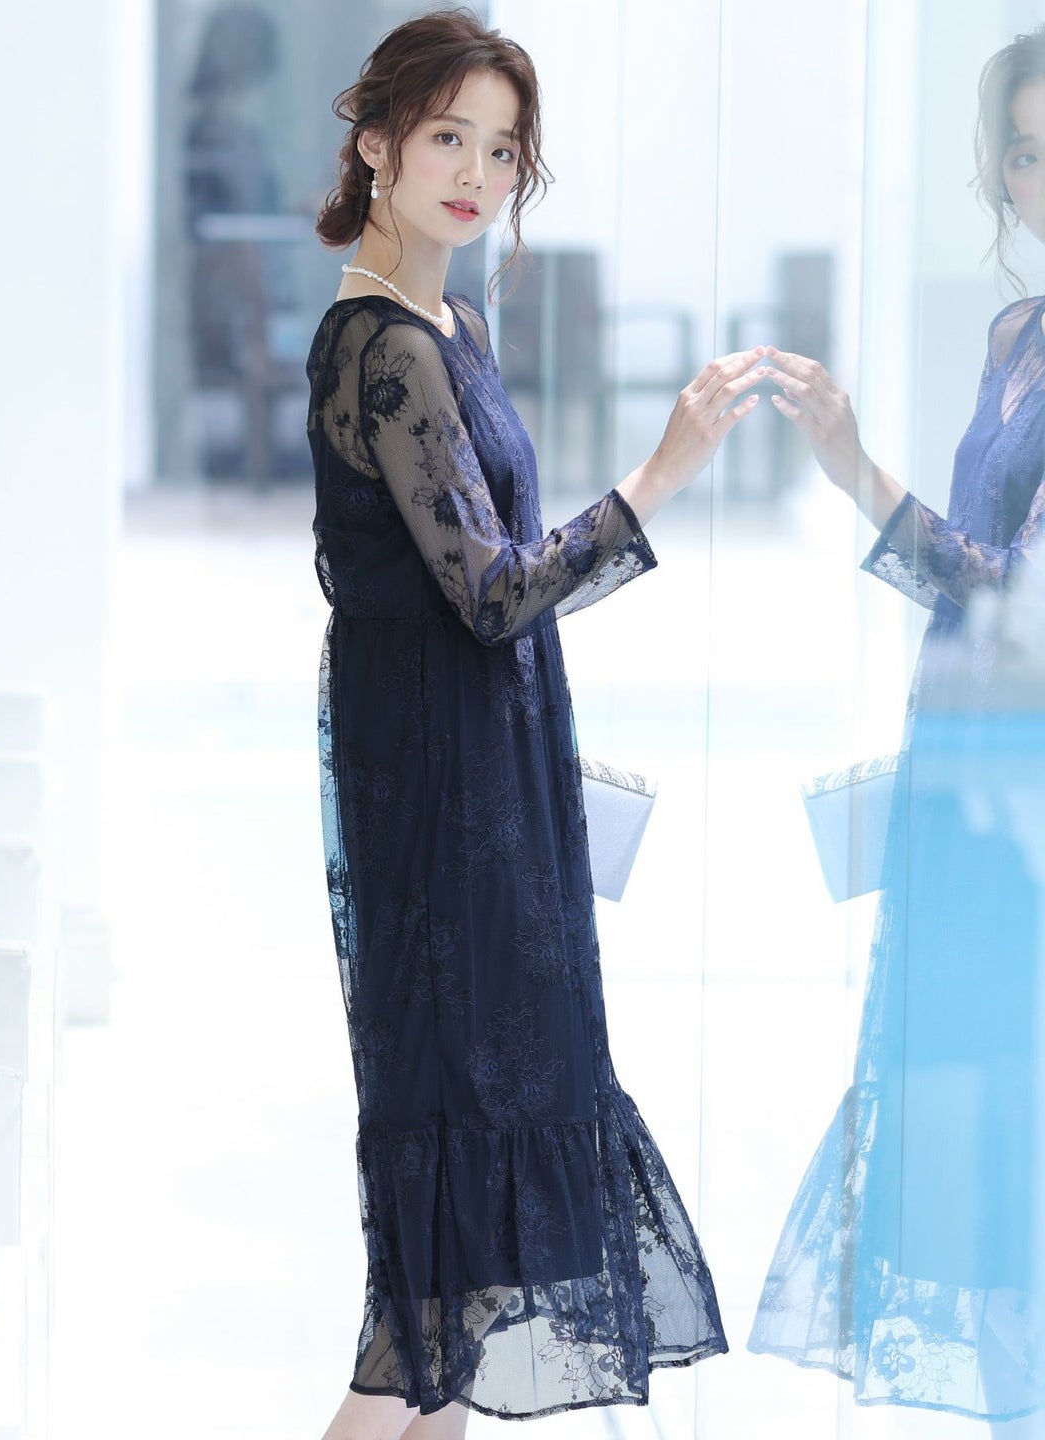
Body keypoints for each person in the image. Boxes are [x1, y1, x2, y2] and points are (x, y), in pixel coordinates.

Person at [307, 9, 761, 1437]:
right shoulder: (382, 347)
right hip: (437, 802)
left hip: (487, 781)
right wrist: (661, 475)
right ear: (377, 143)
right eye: (448, 137)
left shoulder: (456, 327)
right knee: (433, 1281)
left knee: (470, 1279)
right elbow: (494, 592)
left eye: (502, 150)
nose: (477, 173)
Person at [749, 25, 1045, 1429]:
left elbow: (1013, 597)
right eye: (1028, 154)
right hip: (963, 764)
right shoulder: (1016, 338)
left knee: (1017, 1119)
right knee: (968, 1124)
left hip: (1028, 784)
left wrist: (857, 472)